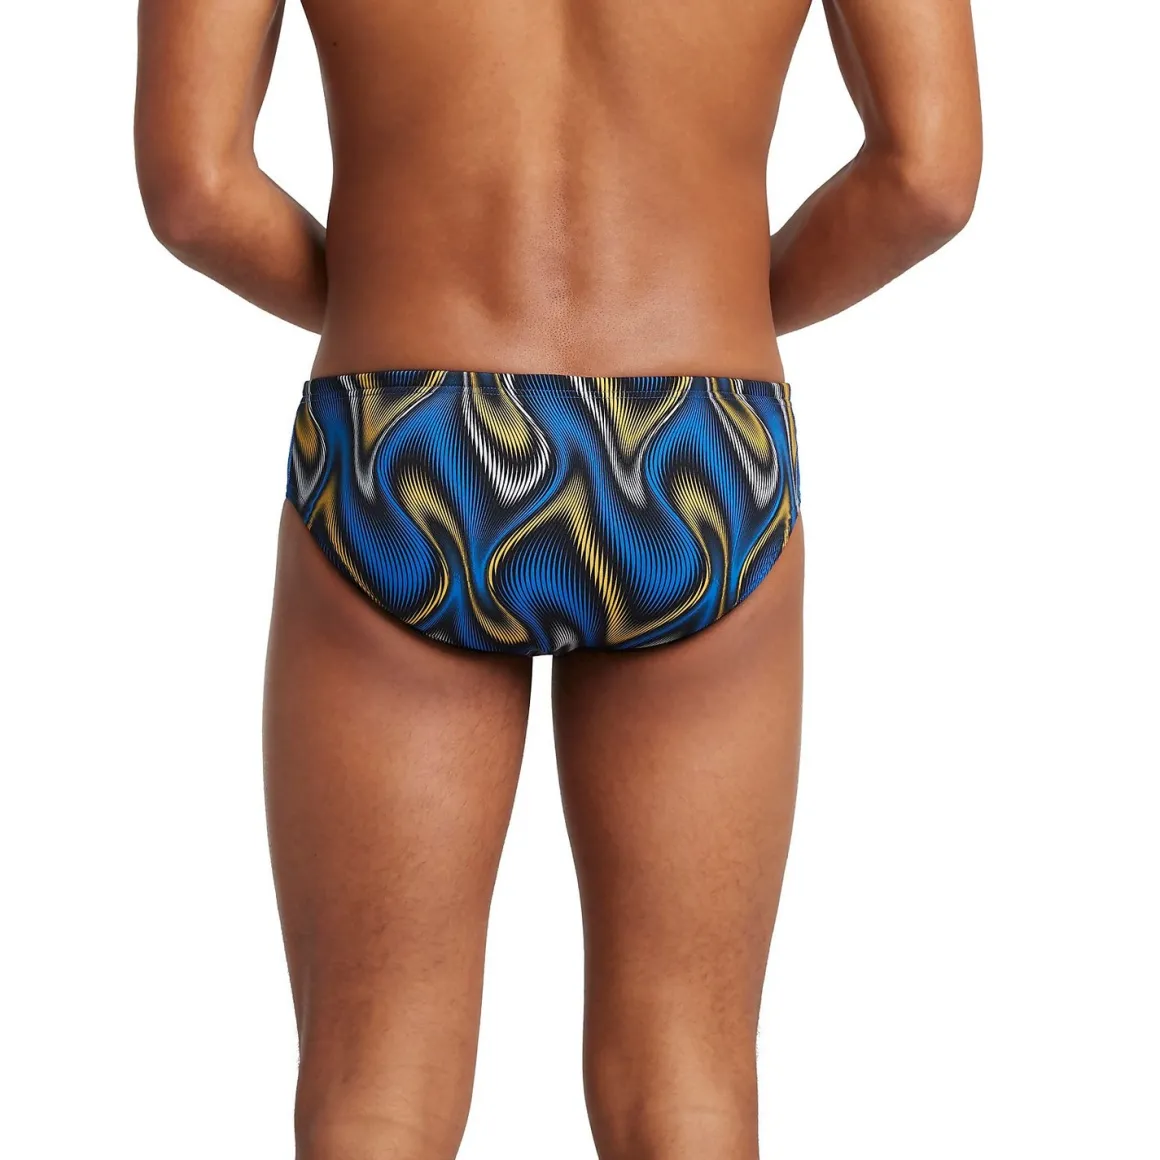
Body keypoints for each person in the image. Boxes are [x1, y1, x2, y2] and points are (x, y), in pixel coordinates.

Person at [134, 0, 981, 1155]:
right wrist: (722, 314)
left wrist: (389, 308)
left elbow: (194, 186)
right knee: (685, 1082)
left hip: (408, 442)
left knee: (374, 1086)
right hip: (694, 448)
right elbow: (929, 175)